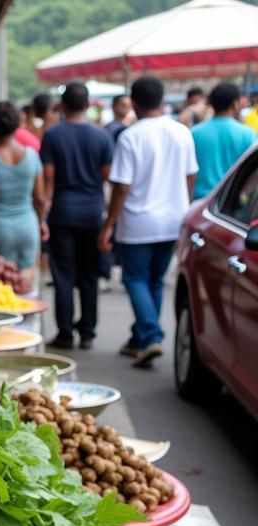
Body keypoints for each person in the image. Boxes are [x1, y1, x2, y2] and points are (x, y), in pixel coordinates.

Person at [99, 75, 198, 367]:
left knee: (134, 279)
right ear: (162, 99)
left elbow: (122, 187)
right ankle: (141, 338)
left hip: (138, 222)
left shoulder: (131, 136)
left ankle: (151, 334)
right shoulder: (182, 132)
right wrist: (184, 203)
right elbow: (191, 175)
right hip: (173, 219)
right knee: (154, 280)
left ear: (135, 102)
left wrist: (108, 225)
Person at [40, 82, 113, 350]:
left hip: (62, 211)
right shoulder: (102, 136)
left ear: (64, 105)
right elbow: (107, 176)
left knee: (63, 275)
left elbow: (48, 179)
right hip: (93, 212)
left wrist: (42, 214)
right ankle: (88, 333)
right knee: (89, 274)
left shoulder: (52, 135)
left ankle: (65, 333)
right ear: (88, 104)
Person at [0, 101, 47, 273]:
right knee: (26, 286)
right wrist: (41, 222)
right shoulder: (32, 156)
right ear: (18, 124)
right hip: (28, 225)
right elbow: (40, 198)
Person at [191, 83, 256, 199]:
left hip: (200, 200)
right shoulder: (247, 134)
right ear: (235, 104)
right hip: (230, 203)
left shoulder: (194, 133)